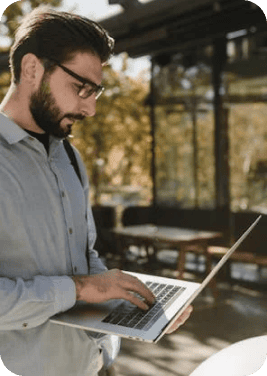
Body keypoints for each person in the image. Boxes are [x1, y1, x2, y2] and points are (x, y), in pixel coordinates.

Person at [0, 6, 193, 376]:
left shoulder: (69, 157)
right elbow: (82, 284)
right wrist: (81, 287)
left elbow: (84, 257)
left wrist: (133, 308)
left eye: (96, 92)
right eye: (81, 88)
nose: (89, 108)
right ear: (31, 69)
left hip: (95, 363)